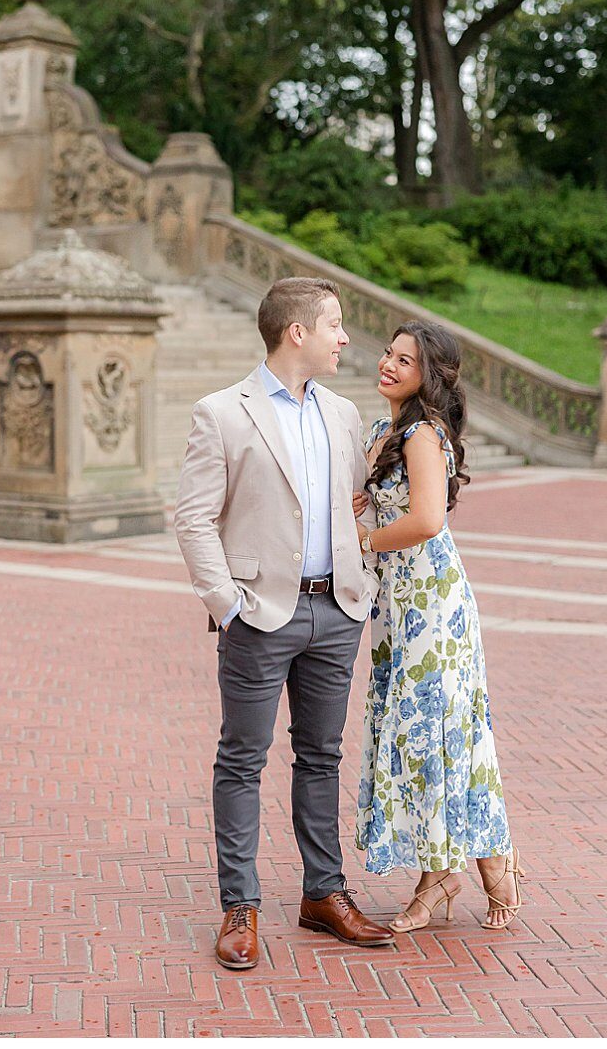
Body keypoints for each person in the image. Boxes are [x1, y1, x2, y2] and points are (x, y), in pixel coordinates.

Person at [175, 276, 395, 971]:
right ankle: (240, 906)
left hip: (336, 612)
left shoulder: (344, 413)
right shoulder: (222, 413)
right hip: (258, 616)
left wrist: (359, 586)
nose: (345, 336)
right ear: (295, 331)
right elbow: (193, 517)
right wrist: (227, 603)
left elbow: (355, 504)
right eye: (334, 323)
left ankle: (323, 893)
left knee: (321, 756)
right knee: (242, 758)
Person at [352, 320, 522, 932]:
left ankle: (440, 876)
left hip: (432, 603)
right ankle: (492, 865)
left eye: (407, 360)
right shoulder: (384, 432)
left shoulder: (422, 434)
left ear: (431, 376)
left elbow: (425, 520)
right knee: (430, 735)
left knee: (438, 736)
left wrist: (364, 537)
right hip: (398, 605)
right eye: (389, 354)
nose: (390, 365)